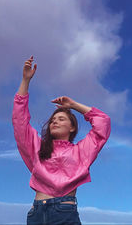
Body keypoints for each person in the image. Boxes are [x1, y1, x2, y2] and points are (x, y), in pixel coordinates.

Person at [12, 56, 111, 225]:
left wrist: (73, 105)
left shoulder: (81, 151)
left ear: (72, 128)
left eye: (61, 119)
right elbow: (19, 121)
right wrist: (25, 80)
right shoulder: (37, 148)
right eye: (53, 120)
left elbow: (103, 122)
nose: (55, 121)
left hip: (64, 212)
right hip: (36, 213)